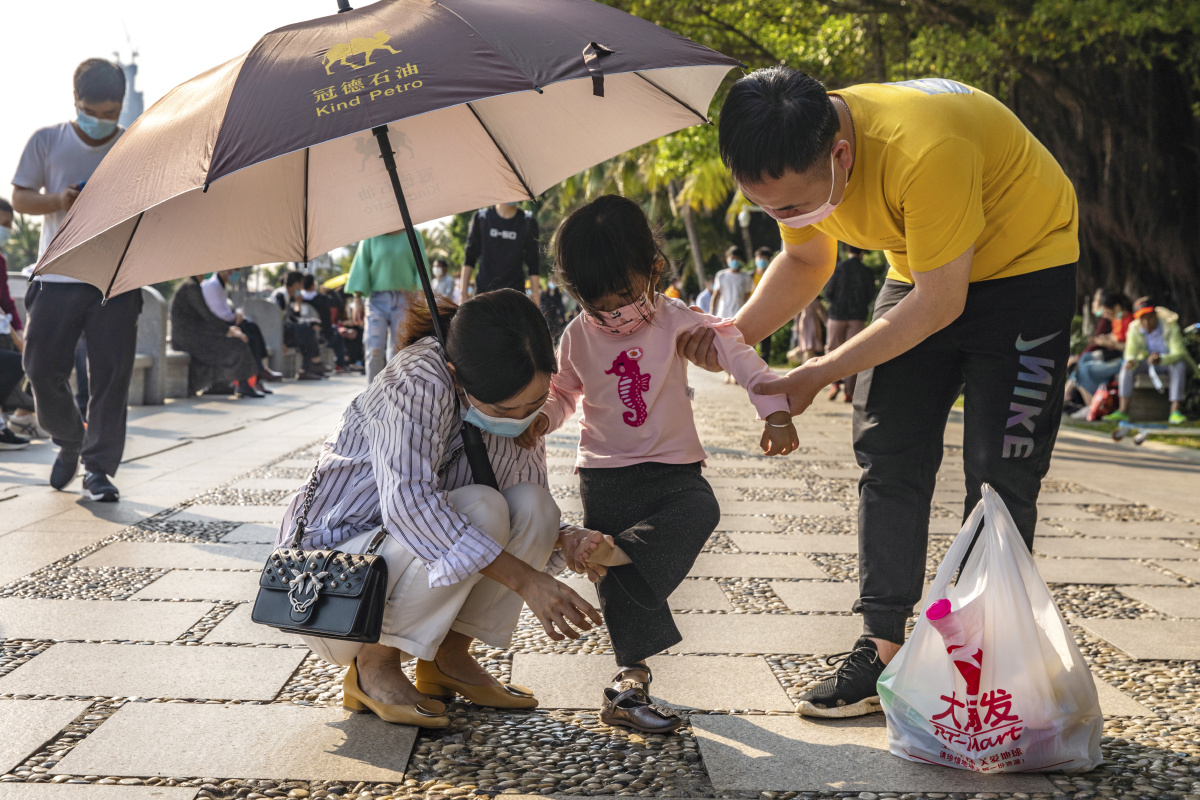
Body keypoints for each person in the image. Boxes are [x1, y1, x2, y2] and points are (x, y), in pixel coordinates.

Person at [678, 67, 1080, 717]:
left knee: (1000, 471)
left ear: (840, 155)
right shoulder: (796, 149)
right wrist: (732, 335)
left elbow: (942, 302)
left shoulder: (924, 147)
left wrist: (817, 372)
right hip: (922, 273)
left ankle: (978, 658)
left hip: (1024, 271)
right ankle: (882, 645)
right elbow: (807, 260)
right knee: (887, 447)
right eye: (765, 207)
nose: (783, 219)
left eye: (789, 208)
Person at [516, 195, 797, 733]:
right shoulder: (576, 335)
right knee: (615, 572)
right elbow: (563, 393)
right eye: (599, 304)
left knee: (699, 511)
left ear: (654, 270)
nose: (616, 313)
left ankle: (620, 556)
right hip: (604, 471)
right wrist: (543, 419)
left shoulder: (676, 320)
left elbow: (737, 352)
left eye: (626, 295)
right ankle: (630, 683)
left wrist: (775, 409)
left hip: (674, 466)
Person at [276, 288, 603, 727]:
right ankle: (373, 667)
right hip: (332, 589)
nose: (524, 420)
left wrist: (568, 538)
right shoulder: (415, 379)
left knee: (535, 505)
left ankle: (447, 659)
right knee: (483, 508)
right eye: (507, 409)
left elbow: (522, 499)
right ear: (456, 376)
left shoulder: (510, 394)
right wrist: (527, 580)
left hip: (389, 567)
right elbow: (409, 506)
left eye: (536, 403)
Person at [12, 58, 137, 502]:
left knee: (110, 378)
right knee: (40, 368)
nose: (101, 121)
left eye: (111, 113)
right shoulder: (47, 140)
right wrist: (59, 200)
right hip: (57, 275)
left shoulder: (132, 146)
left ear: (121, 106)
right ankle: (69, 437)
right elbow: (20, 196)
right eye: (91, 112)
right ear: (76, 102)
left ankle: (98, 469)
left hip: (115, 280)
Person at [347, 229, 427, 382]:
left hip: (406, 299)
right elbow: (361, 265)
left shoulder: (412, 234)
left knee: (398, 351)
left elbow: (420, 267)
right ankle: (372, 392)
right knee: (374, 349)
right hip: (376, 300)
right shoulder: (370, 236)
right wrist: (357, 299)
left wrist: (421, 297)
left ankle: (394, 393)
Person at [1105, 298, 1198, 425]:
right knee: (1126, 366)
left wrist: (1161, 359)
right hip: (1148, 364)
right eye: (1142, 318)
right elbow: (1130, 351)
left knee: (1179, 365)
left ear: (1155, 315)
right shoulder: (1134, 327)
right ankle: (1123, 411)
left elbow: (1179, 353)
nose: (1146, 322)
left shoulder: (1170, 325)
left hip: (1169, 362)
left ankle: (1175, 412)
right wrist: (1131, 360)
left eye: (1149, 317)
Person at [169, 276, 265, 398]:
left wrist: (228, 330)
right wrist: (228, 330)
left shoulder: (193, 286)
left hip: (194, 335)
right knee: (236, 344)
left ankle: (222, 385)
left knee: (235, 341)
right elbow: (206, 314)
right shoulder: (191, 288)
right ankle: (243, 385)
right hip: (188, 338)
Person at [201, 269, 281, 385]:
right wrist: (235, 315)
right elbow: (220, 313)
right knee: (247, 336)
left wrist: (237, 313)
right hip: (218, 327)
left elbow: (226, 310)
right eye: (233, 270)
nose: (234, 273)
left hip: (226, 322)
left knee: (252, 326)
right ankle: (255, 376)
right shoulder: (212, 286)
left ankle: (261, 370)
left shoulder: (222, 286)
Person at [823, 245, 876, 402]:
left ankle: (834, 382)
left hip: (836, 315)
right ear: (863, 252)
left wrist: (835, 304)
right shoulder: (867, 271)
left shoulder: (838, 268)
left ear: (847, 251)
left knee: (832, 350)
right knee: (854, 352)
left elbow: (828, 292)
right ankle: (849, 391)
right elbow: (870, 294)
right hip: (857, 316)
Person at [460, 203, 541, 305]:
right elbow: (469, 258)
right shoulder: (481, 218)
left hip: (515, 297)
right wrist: (463, 294)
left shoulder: (527, 221)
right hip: (484, 295)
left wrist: (536, 298)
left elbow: (533, 262)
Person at [1068, 289, 1130, 407]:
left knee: (1082, 370)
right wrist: (1105, 339)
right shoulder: (1116, 320)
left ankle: (1093, 406)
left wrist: (1108, 343)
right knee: (1082, 367)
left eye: (1107, 311)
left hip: (1123, 360)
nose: (1105, 314)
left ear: (1116, 307)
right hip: (1116, 358)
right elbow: (1115, 336)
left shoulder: (1128, 321)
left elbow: (1128, 346)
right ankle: (1092, 407)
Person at [271, 271, 325, 381]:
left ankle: (310, 367)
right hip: (277, 334)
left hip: (283, 331)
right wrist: (281, 341)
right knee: (308, 332)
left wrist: (299, 304)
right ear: (296, 284)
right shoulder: (280, 295)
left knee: (309, 329)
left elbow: (293, 317)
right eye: (301, 285)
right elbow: (275, 321)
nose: (301, 288)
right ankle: (312, 365)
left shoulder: (286, 294)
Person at [301, 274, 347, 373]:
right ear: (313, 285)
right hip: (324, 335)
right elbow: (339, 303)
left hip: (304, 332)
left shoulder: (298, 298)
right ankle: (340, 365)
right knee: (338, 335)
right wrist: (330, 291)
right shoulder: (322, 299)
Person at [751, 247, 777, 363]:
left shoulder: (773, 276)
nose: (762, 261)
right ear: (755, 259)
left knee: (765, 342)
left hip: (766, 312)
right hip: (750, 312)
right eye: (760, 258)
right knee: (748, 340)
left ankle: (764, 365)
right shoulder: (749, 276)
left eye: (765, 259)